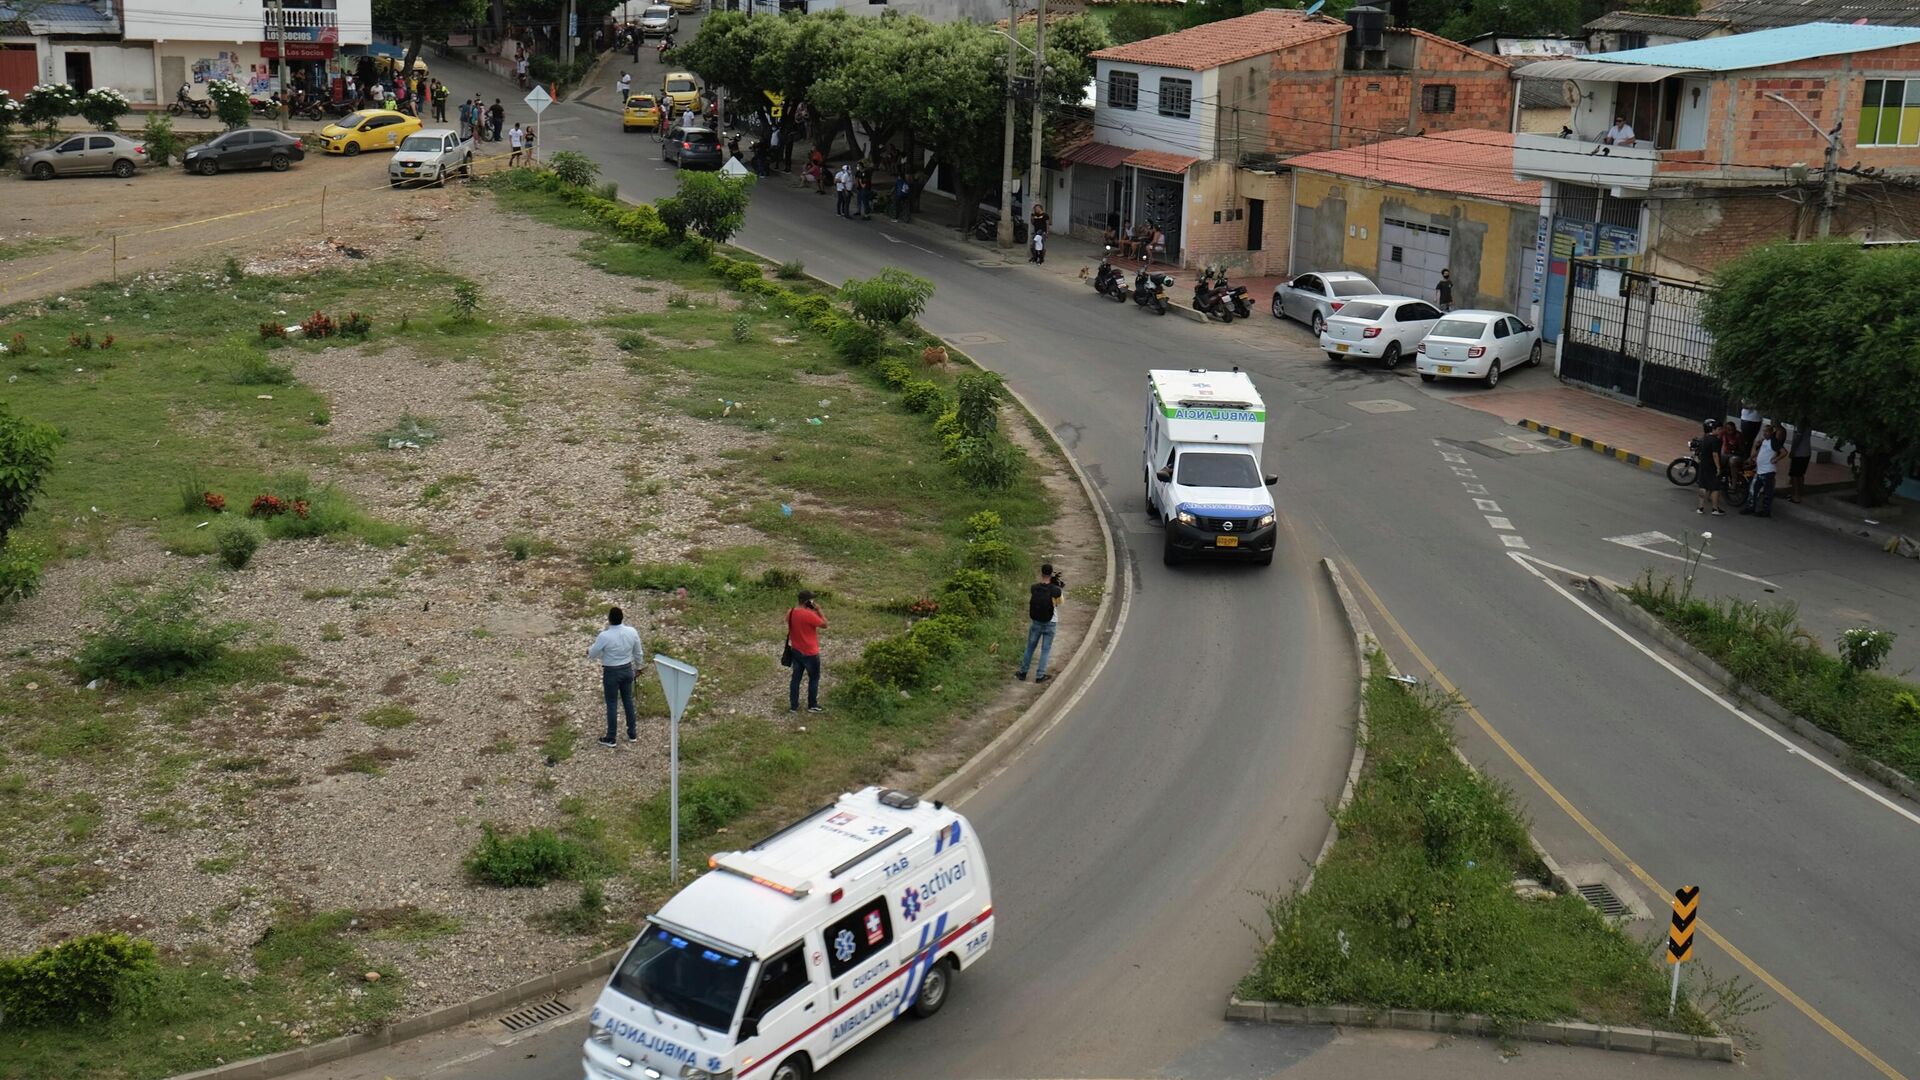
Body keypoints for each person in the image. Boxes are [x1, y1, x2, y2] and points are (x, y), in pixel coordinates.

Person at [588, 606, 643, 748]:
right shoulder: (632, 632)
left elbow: (593, 653)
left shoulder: (604, 636)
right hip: (627, 669)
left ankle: (611, 737)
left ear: (609, 619)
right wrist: (638, 667)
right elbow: (638, 652)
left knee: (612, 703)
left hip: (611, 672)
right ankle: (632, 733)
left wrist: (590, 651)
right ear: (622, 618)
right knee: (628, 701)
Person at [1015, 564, 1064, 683]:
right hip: (1050, 622)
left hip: (1036, 622)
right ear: (1051, 573)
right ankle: (1040, 675)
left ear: (1041, 573)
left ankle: (1023, 672)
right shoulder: (1055, 590)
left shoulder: (1034, 588)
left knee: (1030, 648)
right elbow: (1060, 602)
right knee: (1045, 650)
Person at [785, 591, 827, 713]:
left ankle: (793, 706)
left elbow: (787, 621)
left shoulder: (791, 612)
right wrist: (819, 610)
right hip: (810, 652)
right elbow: (825, 624)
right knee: (814, 678)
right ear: (807, 602)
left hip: (796, 650)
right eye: (812, 600)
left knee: (795, 679)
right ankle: (812, 705)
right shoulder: (809, 615)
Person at [1744, 424, 1784, 517]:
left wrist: (1776, 459)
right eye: (1763, 431)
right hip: (1760, 471)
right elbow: (1757, 453)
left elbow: (1784, 452)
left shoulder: (1774, 442)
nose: (1764, 433)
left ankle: (1765, 511)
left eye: (1767, 432)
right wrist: (1752, 455)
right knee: (1753, 490)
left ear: (1771, 433)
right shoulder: (1764, 442)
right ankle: (1750, 507)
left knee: (1767, 492)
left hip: (1768, 471)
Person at [1692, 419, 1726, 516]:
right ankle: (1715, 509)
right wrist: (1718, 467)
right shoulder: (1716, 440)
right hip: (1711, 467)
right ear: (1716, 429)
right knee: (1715, 487)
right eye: (1720, 430)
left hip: (1703, 465)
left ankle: (1700, 507)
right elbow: (1715, 455)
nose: (1720, 432)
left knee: (1703, 486)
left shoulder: (1705, 438)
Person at [1789, 419, 1814, 503]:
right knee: (1800, 474)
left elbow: (1798, 438)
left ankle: (1796, 496)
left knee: (1795, 475)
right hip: (1806, 452)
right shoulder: (1808, 423)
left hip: (1799, 453)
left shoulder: (1800, 423)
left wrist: (1793, 451)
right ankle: (1798, 493)